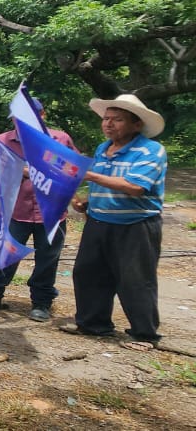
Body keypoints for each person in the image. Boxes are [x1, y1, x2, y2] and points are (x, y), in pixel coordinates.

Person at [64, 94, 167, 348]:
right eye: (106, 118)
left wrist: (88, 175)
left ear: (136, 124)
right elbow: (105, 181)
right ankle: (93, 324)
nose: (108, 124)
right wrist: (87, 201)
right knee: (88, 273)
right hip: (99, 221)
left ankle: (144, 334)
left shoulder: (150, 150)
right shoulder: (103, 148)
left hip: (136, 224)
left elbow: (134, 187)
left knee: (135, 279)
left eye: (117, 119)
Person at [0, 99, 78, 321]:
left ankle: (41, 302)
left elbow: (72, 169)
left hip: (51, 212)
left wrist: (31, 169)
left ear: (43, 116)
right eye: (16, 117)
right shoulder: (3, 141)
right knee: (6, 255)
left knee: (48, 259)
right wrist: (29, 170)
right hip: (16, 209)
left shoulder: (59, 139)